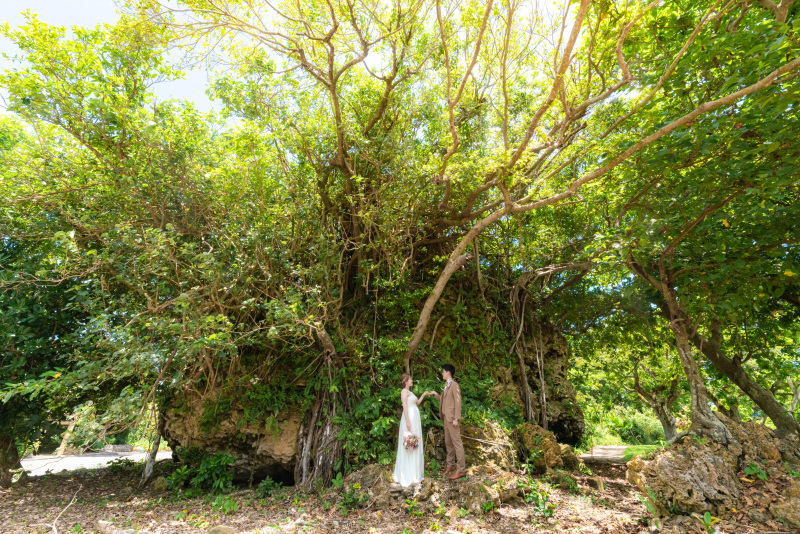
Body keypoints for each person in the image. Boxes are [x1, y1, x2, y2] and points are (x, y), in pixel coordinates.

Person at [393, 373, 432, 486]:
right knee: (409, 444)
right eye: (410, 379)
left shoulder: (410, 392)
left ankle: (415, 472)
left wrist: (423, 395)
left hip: (415, 420)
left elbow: (417, 403)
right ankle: (407, 473)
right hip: (409, 419)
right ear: (405, 381)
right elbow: (405, 406)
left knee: (414, 442)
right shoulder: (404, 392)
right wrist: (408, 421)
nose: (412, 380)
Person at [429, 364, 466, 479]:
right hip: (446, 418)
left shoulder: (454, 385)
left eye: (443, 372)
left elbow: (458, 402)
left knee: (457, 444)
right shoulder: (446, 386)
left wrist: (456, 418)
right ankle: (451, 466)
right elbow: (445, 402)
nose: (442, 373)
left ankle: (461, 470)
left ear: (448, 372)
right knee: (448, 443)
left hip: (452, 419)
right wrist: (436, 395)